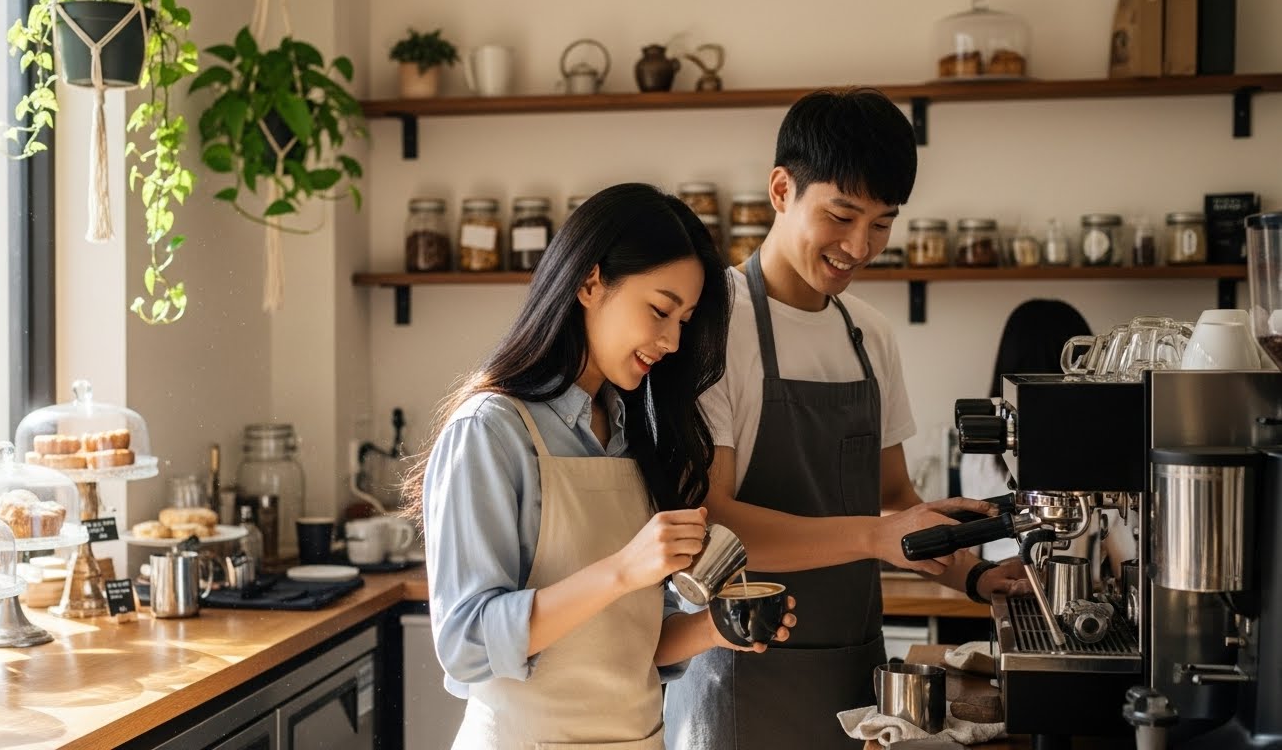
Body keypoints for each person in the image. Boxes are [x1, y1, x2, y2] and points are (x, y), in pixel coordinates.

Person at [663, 89, 1028, 750]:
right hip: (740, 674)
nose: (860, 246)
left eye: (882, 224)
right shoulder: (713, 322)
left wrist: (973, 573)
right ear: (781, 190)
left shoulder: (868, 333)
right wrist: (874, 536)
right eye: (840, 215)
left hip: (852, 671)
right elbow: (712, 525)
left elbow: (893, 499)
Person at [404, 183, 796, 750]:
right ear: (590, 283)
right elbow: (466, 644)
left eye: (684, 320)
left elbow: (631, 641)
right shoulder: (490, 431)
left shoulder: (634, 435)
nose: (671, 340)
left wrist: (716, 629)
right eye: (659, 310)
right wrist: (623, 569)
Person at [959, 299, 1092, 561]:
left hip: (997, 575)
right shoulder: (1095, 432)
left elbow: (972, 543)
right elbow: (1119, 547)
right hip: (1076, 571)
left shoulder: (985, 431)